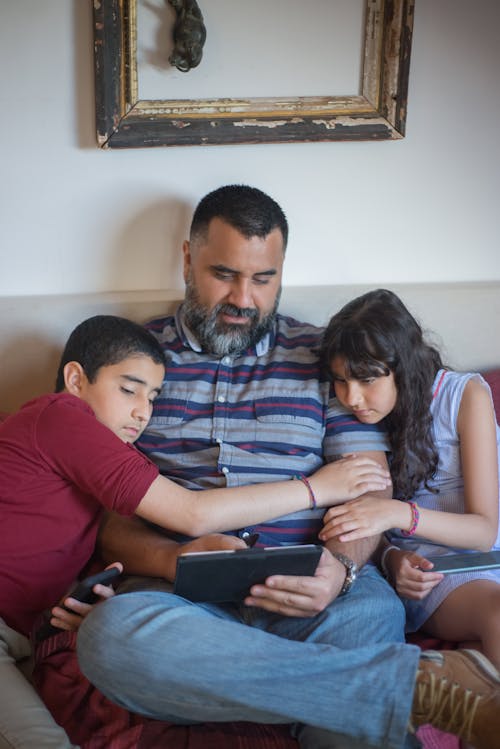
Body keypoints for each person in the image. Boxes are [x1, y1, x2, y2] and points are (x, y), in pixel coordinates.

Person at [75, 186, 500, 749]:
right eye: (223, 273)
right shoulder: (135, 363)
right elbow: (111, 517)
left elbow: (365, 494)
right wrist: (172, 557)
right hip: (186, 603)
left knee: (369, 619)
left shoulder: (328, 358)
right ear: (187, 260)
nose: (243, 298)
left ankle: (325, 691)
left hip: (326, 596)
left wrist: (339, 572)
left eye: (263, 278)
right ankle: (399, 689)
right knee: (110, 640)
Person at [0, 312, 389, 749]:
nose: (142, 412)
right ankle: (382, 693)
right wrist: (316, 488)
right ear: (75, 380)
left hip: (28, 631)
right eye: (128, 390)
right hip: (18, 628)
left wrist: (81, 592)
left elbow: (44, 535)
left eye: (153, 398)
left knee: (371, 615)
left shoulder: (103, 454)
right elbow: (190, 513)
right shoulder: (64, 419)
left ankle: (366, 696)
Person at [319, 288, 500, 672]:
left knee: (483, 657)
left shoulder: (464, 396)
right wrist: (391, 556)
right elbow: (363, 520)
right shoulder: (351, 420)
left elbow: (484, 531)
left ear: (402, 366)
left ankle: (457, 686)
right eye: (340, 380)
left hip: (488, 551)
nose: (352, 397)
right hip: (431, 574)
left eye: (367, 379)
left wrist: (397, 513)